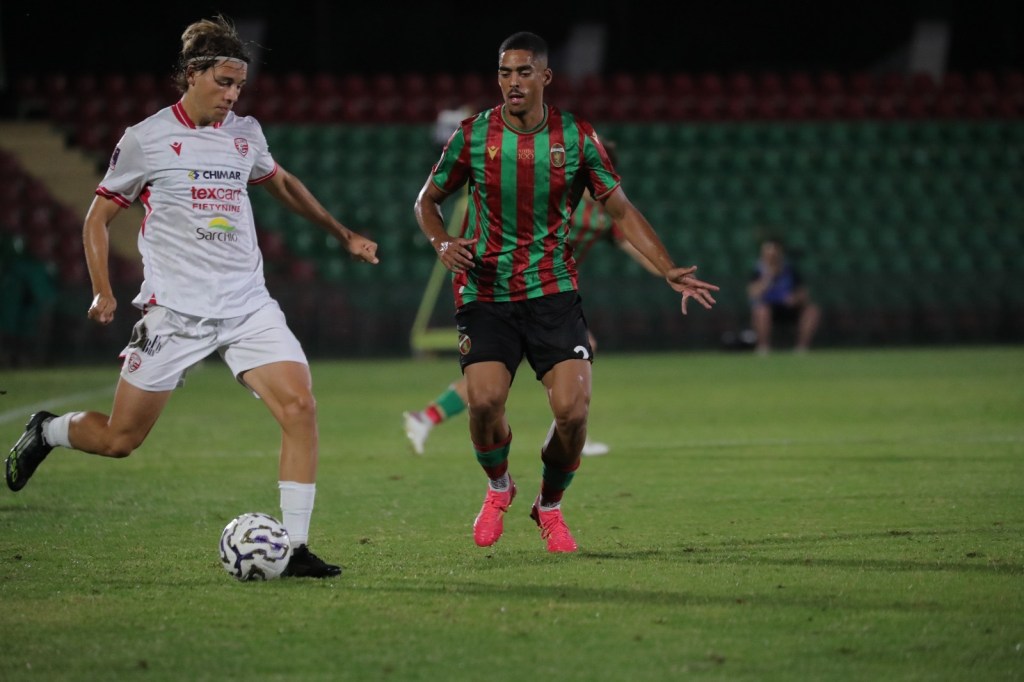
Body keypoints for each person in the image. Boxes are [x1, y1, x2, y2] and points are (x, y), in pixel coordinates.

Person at [4, 15, 379, 578]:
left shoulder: (245, 134)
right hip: (174, 314)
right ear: (192, 75)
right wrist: (103, 290)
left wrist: (342, 232)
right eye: (224, 83)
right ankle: (48, 429)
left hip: (247, 306)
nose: (232, 96)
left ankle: (295, 549)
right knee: (119, 439)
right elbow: (97, 218)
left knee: (300, 408)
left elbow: (280, 183)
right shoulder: (146, 138)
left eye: (239, 87)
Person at [412, 31, 718, 553]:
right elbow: (427, 201)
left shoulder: (576, 137)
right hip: (486, 291)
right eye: (505, 72)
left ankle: (549, 507)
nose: (513, 82)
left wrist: (666, 267)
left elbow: (620, 209)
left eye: (524, 72)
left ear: (545, 77)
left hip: (552, 291)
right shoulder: (472, 135)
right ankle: (498, 488)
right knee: (484, 401)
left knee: (573, 413)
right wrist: (442, 243)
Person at [403, 141, 663, 458]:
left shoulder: (586, 207)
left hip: (539, 298)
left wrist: (669, 271)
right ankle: (570, 435)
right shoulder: (584, 210)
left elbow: (634, 246)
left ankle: (429, 417)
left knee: (499, 377)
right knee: (510, 375)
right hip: (510, 295)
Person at [746, 237, 820, 354]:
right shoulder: (758, 271)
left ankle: (801, 348)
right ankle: (763, 347)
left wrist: (795, 298)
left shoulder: (790, 269)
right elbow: (753, 293)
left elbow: (803, 293)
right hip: (769, 307)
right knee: (761, 311)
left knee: (812, 311)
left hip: (789, 306)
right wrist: (768, 278)